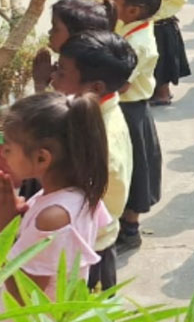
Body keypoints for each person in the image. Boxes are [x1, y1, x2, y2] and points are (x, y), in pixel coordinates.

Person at [0, 93, 111, 300]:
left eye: (8, 148)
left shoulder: (53, 217)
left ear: (42, 158)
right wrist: (18, 220)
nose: (3, 153)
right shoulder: (78, 193)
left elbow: (24, 297)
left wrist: (5, 230)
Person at [53, 31, 136, 290]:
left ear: (96, 87)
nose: (53, 78)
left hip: (88, 249)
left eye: (61, 72)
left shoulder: (100, 142)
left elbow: (96, 206)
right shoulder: (91, 111)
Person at [111, 0, 162, 253]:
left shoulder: (139, 43)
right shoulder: (130, 26)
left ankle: (130, 229)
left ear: (133, 10)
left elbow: (121, 84)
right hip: (126, 106)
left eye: (115, 1)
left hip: (131, 109)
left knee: (134, 168)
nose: (111, 4)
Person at [149, 0, 191, 106]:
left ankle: (163, 94)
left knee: (160, 63)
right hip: (167, 25)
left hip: (159, 27)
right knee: (162, 61)